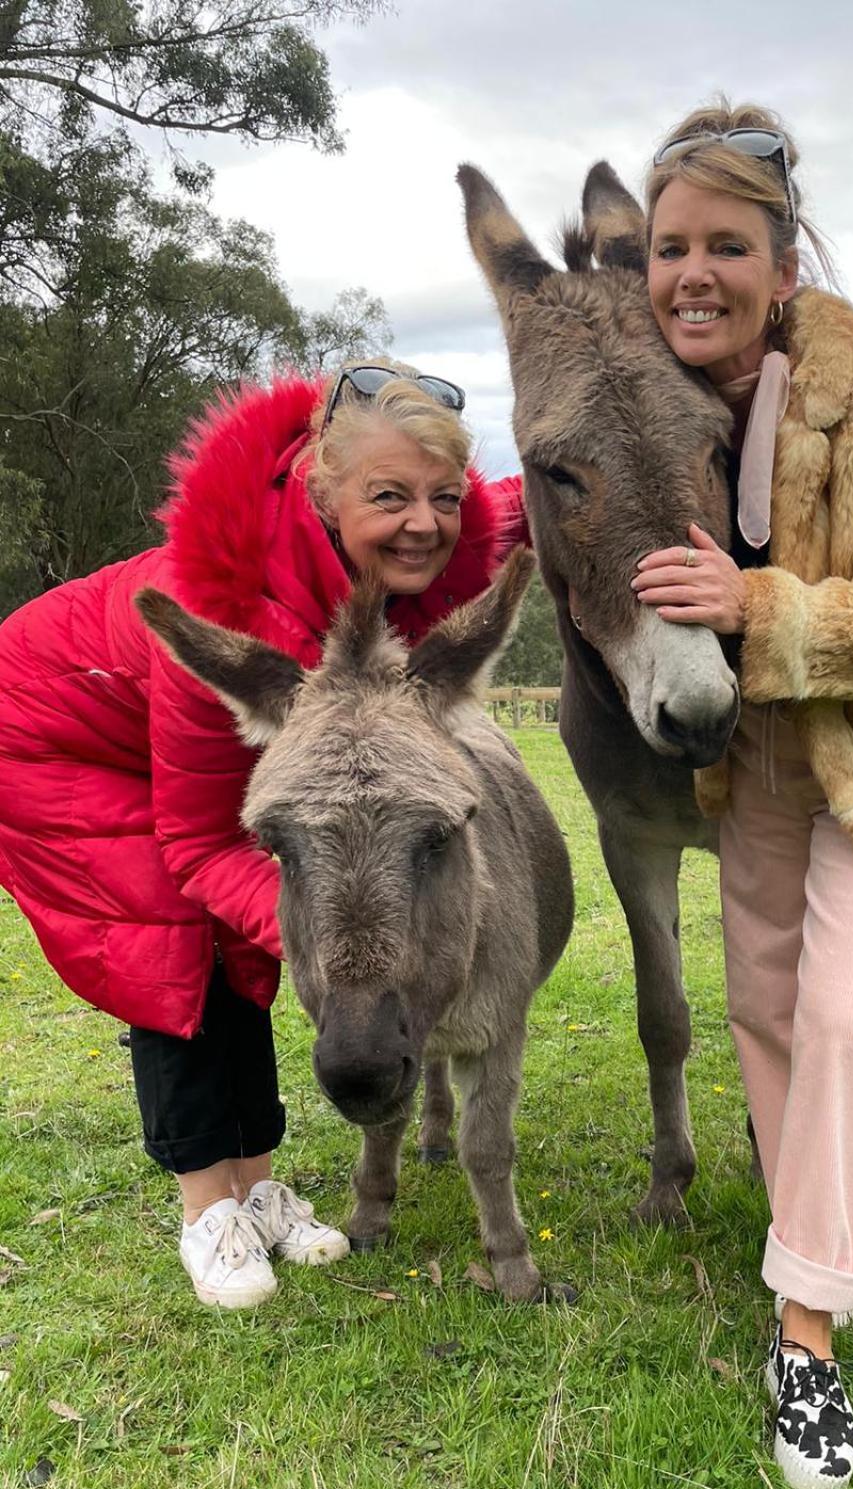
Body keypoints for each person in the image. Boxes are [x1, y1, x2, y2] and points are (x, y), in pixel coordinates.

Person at [631, 102, 853, 1489]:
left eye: (729, 244)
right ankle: (812, 1229)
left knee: (844, 1010)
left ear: (786, 267)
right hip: (761, 757)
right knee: (767, 1009)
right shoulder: (659, 405)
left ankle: (808, 1336)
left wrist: (754, 606)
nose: (695, 274)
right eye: (672, 247)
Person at [0, 362, 528, 1310]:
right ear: (323, 492)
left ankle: (261, 1183)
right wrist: (331, 938)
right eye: (390, 496)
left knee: (243, 956)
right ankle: (211, 1208)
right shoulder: (228, 605)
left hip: (189, 733)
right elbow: (203, 845)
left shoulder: (404, 575)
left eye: (443, 498)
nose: (423, 521)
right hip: (54, 735)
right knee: (174, 950)